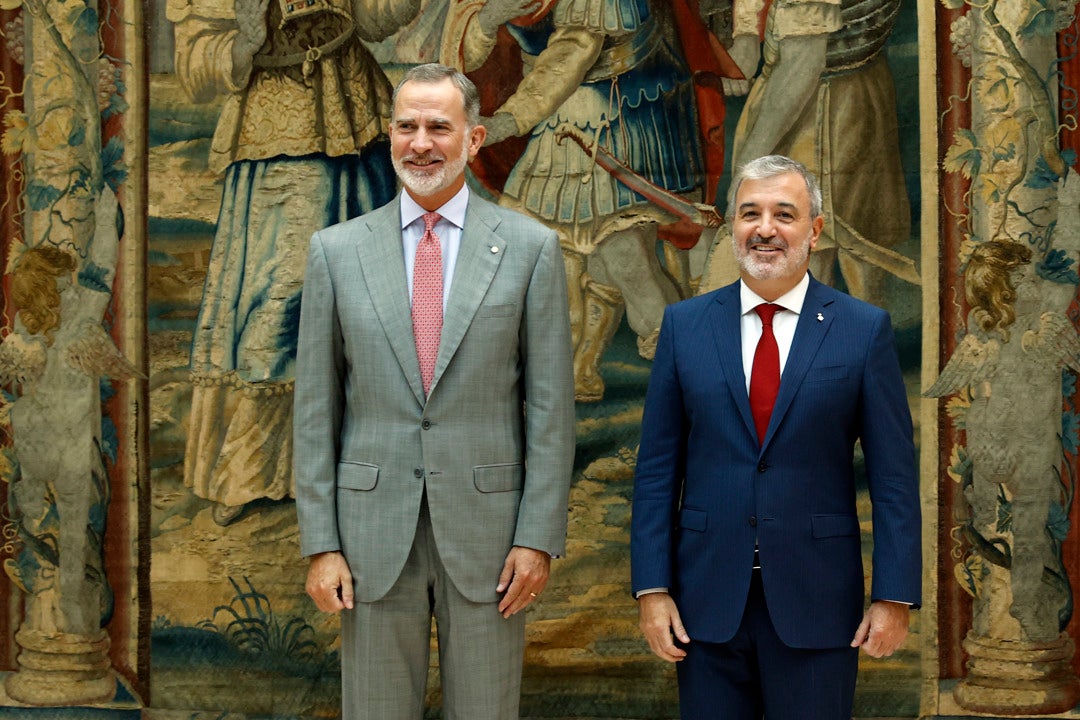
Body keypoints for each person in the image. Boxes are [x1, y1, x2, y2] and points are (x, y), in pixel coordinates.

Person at [293, 63, 575, 719]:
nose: (421, 143)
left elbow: (551, 411)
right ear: (390, 135)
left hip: (491, 539)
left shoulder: (531, 249)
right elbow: (313, 412)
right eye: (407, 126)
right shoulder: (336, 252)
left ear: (473, 139)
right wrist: (322, 544)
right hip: (369, 535)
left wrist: (537, 538)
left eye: (439, 127)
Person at [630, 155, 921, 719]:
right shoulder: (685, 327)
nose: (765, 229)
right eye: (750, 213)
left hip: (819, 601)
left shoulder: (862, 329)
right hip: (704, 602)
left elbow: (893, 479)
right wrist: (652, 588)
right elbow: (657, 471)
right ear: (733, 227)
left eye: (784, 214)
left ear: (814, 230)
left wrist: (893, 595)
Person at [169, 0, 405, 525]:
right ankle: (250, 470)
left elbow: (373, 20)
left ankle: (357, 467)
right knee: (280, 297)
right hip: (275, 139)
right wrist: (246, 39)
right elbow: (196, 67)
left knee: (365, 300)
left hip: (358, 129)